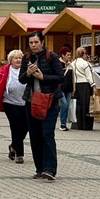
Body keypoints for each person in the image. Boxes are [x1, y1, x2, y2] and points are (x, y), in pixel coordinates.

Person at [19, 32, 64, 180]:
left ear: (42, 42)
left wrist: (43, 77)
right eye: (31, 43)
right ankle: (40, 169)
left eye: (36, 42)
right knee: (35, 136)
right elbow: (21, 80)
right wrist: (28, 73)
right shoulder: (26, 58)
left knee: (47, 134)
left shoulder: (52, 57)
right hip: (31, 102)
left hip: (49, 102)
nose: (33, 45)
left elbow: (60, 77)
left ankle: (50, 169)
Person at [0, 50, 29, 163]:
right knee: (16, 126)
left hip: (26, 103)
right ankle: (19, 154)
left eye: (20, 58)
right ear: (10, 60)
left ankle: (13, 145)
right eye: (15, 58)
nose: (18, 60)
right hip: (10, 103)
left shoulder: (27, 70)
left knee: (26, 127)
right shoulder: (4, 71)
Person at [71, 46, 97, 131]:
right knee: (86, 105)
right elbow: (89, 76)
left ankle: (79, 124)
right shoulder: (85, 63)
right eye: (86, 53)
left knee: (78, 105)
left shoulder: (73, 63)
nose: (87, 55)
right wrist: (94, 86)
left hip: (77, 85)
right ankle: (86, 125)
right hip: (85, 85)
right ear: (83, 54)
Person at [59, 52, 74, 131]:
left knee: (67, 105)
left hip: (69, 88)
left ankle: (64, 122)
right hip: (60, 88)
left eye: (70, 55)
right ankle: (63, 123)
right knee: (64, 104)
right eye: (67, 55)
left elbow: (73, 77)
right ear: (63, 55)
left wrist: (73, 88)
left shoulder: (71, 65)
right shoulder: (58, 64)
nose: (69, 56)